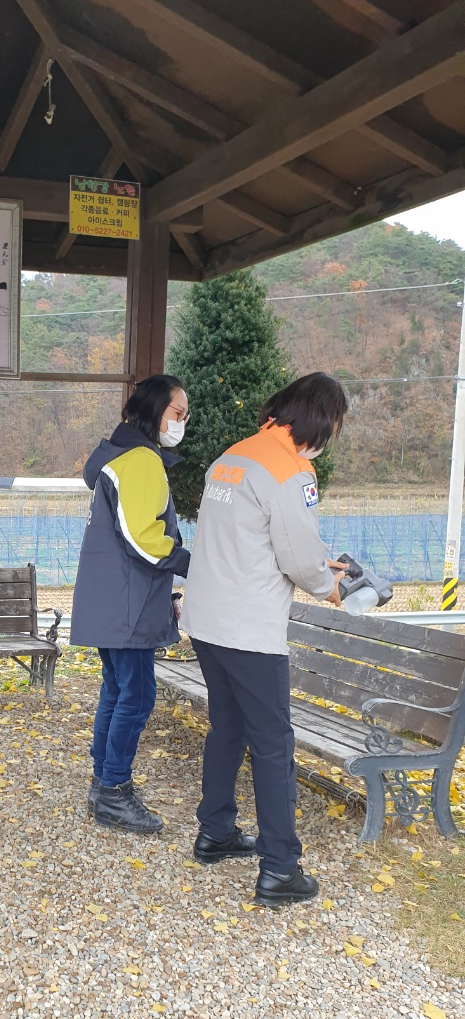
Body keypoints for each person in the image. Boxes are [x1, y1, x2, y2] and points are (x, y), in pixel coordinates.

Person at [180, 372, 349, 907]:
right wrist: (328, 584)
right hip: (248, 628)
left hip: (207, 620)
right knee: (274, 746)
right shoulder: (290, 469)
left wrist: (314, 566)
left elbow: (249, 540)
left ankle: (216, 832)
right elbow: (298, 555)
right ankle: (279, 867)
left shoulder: (232, 457)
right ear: (320, 420)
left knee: (227, 728)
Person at [71, 376, 191, 835]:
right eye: (177, 412)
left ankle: (103, 782)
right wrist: (190, 562)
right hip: (129, 603)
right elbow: (144, 538)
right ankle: (114, 792)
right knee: (137, 695)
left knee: (117, 691)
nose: (181, 422)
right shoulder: (141, 460)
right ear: (155, 410)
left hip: (111, 600)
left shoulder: (117, 457)